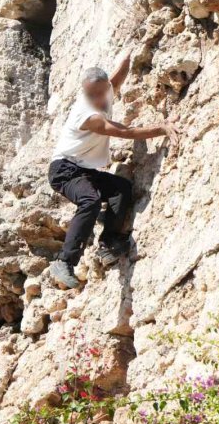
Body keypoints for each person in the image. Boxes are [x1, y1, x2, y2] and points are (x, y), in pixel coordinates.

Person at [48, 46, 180, 288]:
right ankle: (64, 261)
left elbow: (117, 78)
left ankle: (108, 244)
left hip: (83, 170)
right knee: (90, 201)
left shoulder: (106, 90)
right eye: (91, 95)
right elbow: (124, 131)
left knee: (121, 189)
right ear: (85, 93)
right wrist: (161, 128)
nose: (98, 99)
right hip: (63, 170)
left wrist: (130, 54)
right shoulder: (89, 116)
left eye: (101, 93)